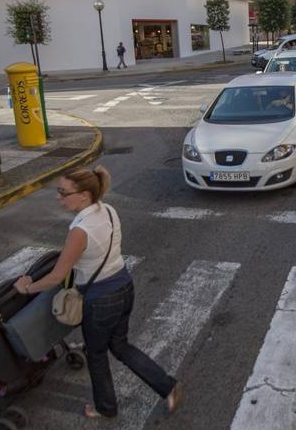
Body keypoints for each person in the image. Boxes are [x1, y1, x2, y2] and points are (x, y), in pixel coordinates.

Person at [13, 166, 183, 419]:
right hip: (124, 287)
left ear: (84, 195)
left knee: (96, 354)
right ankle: (167, 386)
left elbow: (57, 276)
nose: (59, 197)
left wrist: (27, 288)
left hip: (102, 300)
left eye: (63, 192)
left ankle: (106, 407)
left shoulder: (80, 230)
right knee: (120, 345)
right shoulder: (109, 211)